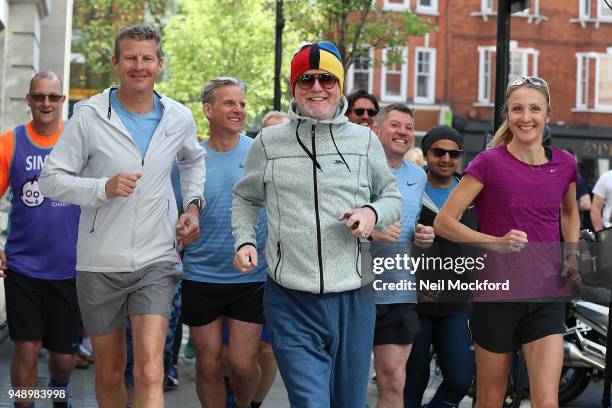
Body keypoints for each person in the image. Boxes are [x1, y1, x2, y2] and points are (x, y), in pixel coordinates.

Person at [39, 25, 205, 408]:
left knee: (149, 370)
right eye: (130, 57)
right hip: (99, 263)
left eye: (147, 58)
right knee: (111, 371)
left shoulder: (178, 117)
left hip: (157, 258)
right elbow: (50, 180)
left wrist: (193, 206)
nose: (139, 65)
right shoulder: (89, 116)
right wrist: (102, 188)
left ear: (160, 65)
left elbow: (194, 161)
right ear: (116, 62)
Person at [232, 40, 402, 407]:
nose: (316, 88)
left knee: (348, 403)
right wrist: (244, 240)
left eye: (326, 79)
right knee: (311, 402)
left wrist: (370, 214)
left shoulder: (363, 142)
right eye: (306, 79)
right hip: (290, 297)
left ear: (339, 85)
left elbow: (391, 197)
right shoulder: (268, 142)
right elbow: (246, 197)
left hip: (354, 297)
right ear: (294, 87)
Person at [434, 76, 580, 408]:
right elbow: (444, 223)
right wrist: (495, 243)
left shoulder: (565, 163)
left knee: (546, 400)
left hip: (546, 292)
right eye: (517, 109)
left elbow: (570, 213)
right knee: (490, 398)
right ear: (507, 115)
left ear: (547, 114)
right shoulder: (489, 163)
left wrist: (571, 255)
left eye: (534, 109)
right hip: (496, 292)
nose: (525, 117)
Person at [180, 77, 267, 408]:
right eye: (230, 103)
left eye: (242, 104)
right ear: (208, 110)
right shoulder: (190, 158)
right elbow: (176, 211)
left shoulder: (259, 153)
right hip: (200, 275)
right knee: (209, 362)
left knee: (243, 364)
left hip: (250, 276)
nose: (239, 110)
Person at [1, 71, 80, 408]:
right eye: (39, 96)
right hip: (23, 267)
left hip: (72, 269)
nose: (46, 103)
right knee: (27, 347)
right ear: (29, 100)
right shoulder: (10, 142)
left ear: (63, 101)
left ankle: (58, 390)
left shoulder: (79, 144)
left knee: (63, 359)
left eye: (53, 97)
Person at [404, 125, 476, 408]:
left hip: (456, 303)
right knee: (412, 381)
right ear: (426, 154)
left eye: (453, 153)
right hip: (413, 301)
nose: (446, 159)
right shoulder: (410, 191)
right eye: (438, 152)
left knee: (459, 380)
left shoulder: (470, 195)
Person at [368, 104, 434, 408]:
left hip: (398, 291)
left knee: (394, 378)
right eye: (396, 125)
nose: (403, 132)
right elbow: (332, 221)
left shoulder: (418, 176)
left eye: (409, 127)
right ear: (376, 129)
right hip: (354, 290)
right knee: (347, 383)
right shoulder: (356, 170)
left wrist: (424, 237)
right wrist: (373, 232)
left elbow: (415, 232)